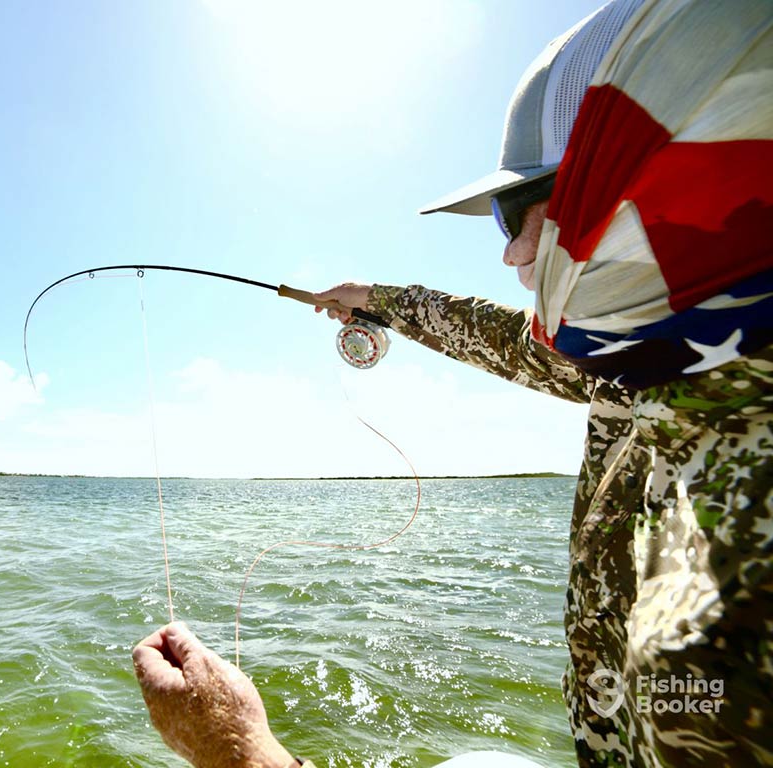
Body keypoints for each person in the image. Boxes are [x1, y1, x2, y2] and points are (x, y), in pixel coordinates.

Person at [134, 1, 773, 765]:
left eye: (517, 213)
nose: (512, 256)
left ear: (658, 189)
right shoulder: (666, 364)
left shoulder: (732, 555)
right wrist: (380, 301)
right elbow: (517, 343)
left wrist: (238, 751)